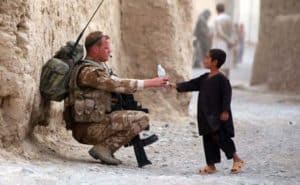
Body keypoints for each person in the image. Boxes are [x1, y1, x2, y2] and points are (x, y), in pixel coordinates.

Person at [63, 31, 169, 165]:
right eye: (106, 48)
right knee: (141, 118)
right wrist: (150, 83)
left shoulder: (100, 68)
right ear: (95, 49)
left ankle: (104, 148)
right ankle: (104, 148)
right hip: (87, 129)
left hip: (95, 124)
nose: (110, 51)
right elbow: (116, 84)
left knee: (139, 116)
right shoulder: (88, 72)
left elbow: (117, 80)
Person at [172, 49, 244, 174]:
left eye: (207, 57)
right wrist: (175, 85)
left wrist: (225, 111)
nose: (204, 60)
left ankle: (237, 160)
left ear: (215, 62)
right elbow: (191, 84)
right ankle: (211, 165)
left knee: (221, 137)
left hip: (217, 116)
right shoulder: (205, 77)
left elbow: (227, 95)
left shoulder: (222, 80)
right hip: (205, 115)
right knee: (208, 139)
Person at [212, 3, 235, 77]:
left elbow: (219, 33)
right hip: (228, 43)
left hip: (220, 43)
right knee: (227, 62)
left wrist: (227, 40)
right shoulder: (229, 18)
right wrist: (231, 41)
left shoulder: (217, 19)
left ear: (216, 10)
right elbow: (233, 31)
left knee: (219, 62)